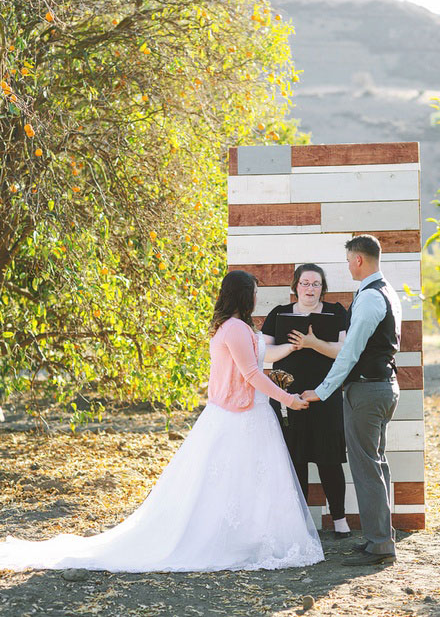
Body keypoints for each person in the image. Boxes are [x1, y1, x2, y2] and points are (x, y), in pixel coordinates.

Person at [0, 270, 324, 573]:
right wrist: (289, 399)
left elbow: (257, 362)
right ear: (244, 296)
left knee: (246, 480)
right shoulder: (236, 329)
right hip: (239, 417)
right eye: (253, 293)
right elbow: (251, 374)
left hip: (249, 414)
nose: (256, 297)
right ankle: (234, 540)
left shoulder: (234, 327)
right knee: (233, 479)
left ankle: (249, 537)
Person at [303, 235, 401, 566]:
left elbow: (350, 353)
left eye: (348, 260)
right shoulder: (386, 291)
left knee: (366, 468)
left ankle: (379, 544)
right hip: (382, 388)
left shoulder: (372, 298)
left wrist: (321, 390)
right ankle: (381, 538)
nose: (347, 266)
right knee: (376, 465)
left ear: (358, 260)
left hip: (368, 391)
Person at [262, 263, 351, 539]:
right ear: (295, 287)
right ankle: (300, 523)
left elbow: (344, 352)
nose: (310, 288)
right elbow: (265, 354)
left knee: (329, 460)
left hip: (326, 395)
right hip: (288, 396)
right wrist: (292, 345)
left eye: (316, 284)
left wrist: (311, 343)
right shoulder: (278, 315)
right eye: (305, 283)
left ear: (323, 288)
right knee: (295, 458)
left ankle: (339, 520)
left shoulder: (336, 313)